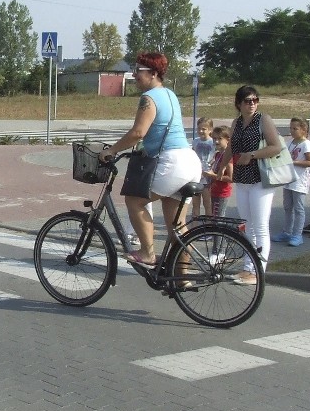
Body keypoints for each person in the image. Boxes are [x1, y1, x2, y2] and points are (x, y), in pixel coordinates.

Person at [98, 51, 200, 267]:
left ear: (153, 73)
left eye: (138, 71)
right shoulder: (169, 94)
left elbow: (138, 133)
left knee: (134, 201)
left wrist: (112, 150)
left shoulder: (149, 97)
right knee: (177, 225)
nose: (134, 75)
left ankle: (147, 253)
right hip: (189, 160)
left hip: (172, 163)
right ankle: (182, 277)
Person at [212, 85, 283, 285]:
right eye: (247, 101)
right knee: (247, 225)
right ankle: (247, 267)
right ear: (239, 104)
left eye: (254, 100)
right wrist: (221, 167)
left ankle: (258, 270)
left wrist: (252, 155)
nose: (252, 104)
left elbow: (275, 146)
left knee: (260, 225)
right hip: (242, 179)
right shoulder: (237, 122)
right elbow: (231, 147)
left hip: (260, 178)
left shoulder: (264, 120)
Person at [272, 117, 310, 246]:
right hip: (288, 180)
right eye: (291, 128)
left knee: (298, 208)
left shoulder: (306, 144)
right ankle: (287, 231)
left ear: (303, 130)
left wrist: (294, 162)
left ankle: (297, 234)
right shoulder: (290, 142)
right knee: (288, 207)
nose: (292, 131)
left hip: (299, 181)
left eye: (295, 129)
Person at [203, 125, 233, 217]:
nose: (216, 141)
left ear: (227, 139)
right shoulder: (218, 154)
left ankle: (220, 232)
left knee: (217, 218)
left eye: (220, 139)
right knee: (215, 216)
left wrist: (212, 175)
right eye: (214, 138)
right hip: (214, 191)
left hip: (222, 193)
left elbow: (231, 178)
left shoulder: (227, 157)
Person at [190, 117, 214, 216]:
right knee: (195, 204)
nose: (201, 131)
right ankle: (195, 225)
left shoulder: (213, 142)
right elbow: (192, 155)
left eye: (204, 129)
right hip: (196, 176)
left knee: (207, 203)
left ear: (210, 130)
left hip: (208, 177)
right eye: (199, 129)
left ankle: (208, 225)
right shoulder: (195, 141)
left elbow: (217, 156)